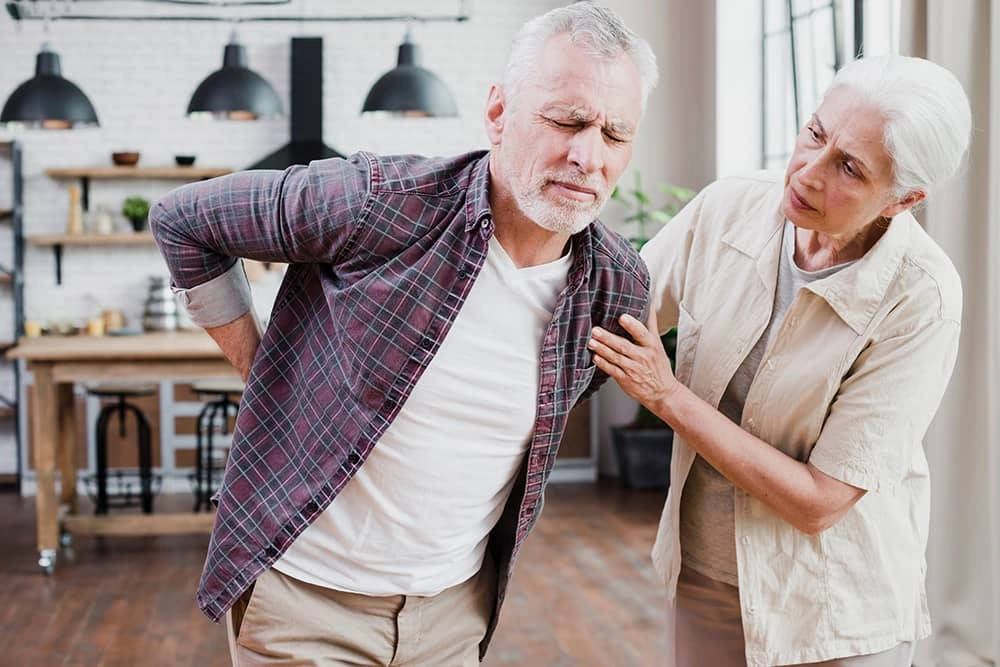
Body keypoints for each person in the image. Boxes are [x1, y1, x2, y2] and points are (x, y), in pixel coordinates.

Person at [150, 3, 657, 664]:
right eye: (566, 120)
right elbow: (182, 220)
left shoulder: (618, 286)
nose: (587, 156)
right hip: (305, 599)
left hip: (454, 614)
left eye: (615, 135)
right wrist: (262, 367)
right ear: (499, 113)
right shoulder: (380, 202)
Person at [588, 54, 971, 666]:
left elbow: (819, 501)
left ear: (904, 198)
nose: (807, 172)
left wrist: (668, 397)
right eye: (815, 134)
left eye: (848, 167)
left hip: (833, 611)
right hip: (704, 578)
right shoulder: (727, 209)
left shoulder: (921, 297)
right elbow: (606, 317)